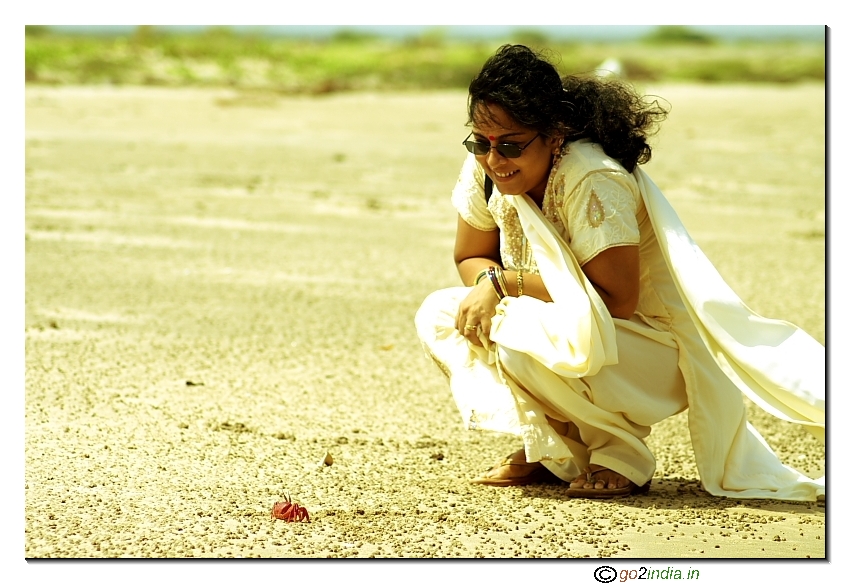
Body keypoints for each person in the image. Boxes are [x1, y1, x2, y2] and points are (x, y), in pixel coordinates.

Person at [414, 44, 824, 500]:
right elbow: (470, 253)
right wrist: (490, 289)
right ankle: (554, 448)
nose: (493, 159)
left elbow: (615, 298)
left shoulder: (592, 178)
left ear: (555, 135)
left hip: (651, 350)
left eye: (510, 145)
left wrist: (503, 284)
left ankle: (621, 453)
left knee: (518, 332)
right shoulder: (488, 166)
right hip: (580, 334)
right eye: (480, 142)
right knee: (442, 313)